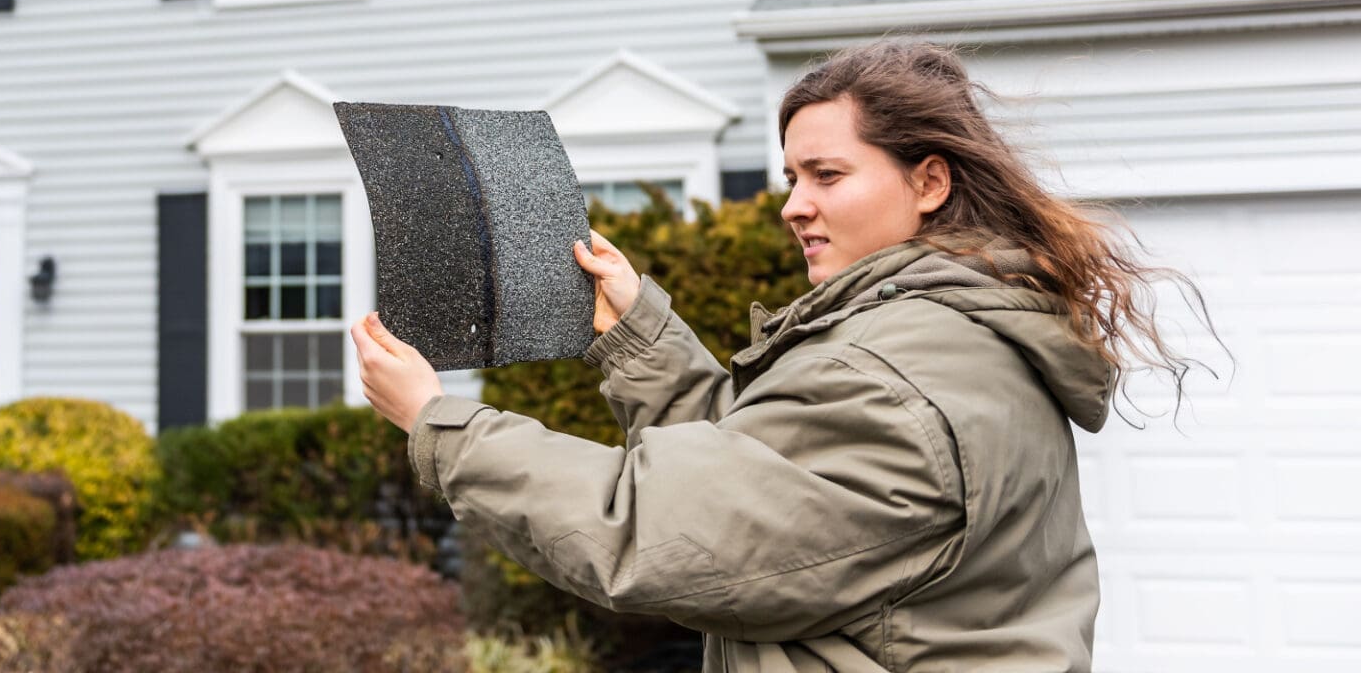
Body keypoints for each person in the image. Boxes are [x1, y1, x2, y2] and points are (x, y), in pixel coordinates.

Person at [352, 39, 1209, 672]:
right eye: (792, 177)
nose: (794, 205)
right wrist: (638, 333)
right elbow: (769, 483)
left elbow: (654, 532)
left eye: (826, 176)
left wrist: (441, 424)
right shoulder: (936, 332)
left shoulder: (900, 374)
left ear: (930, 183)